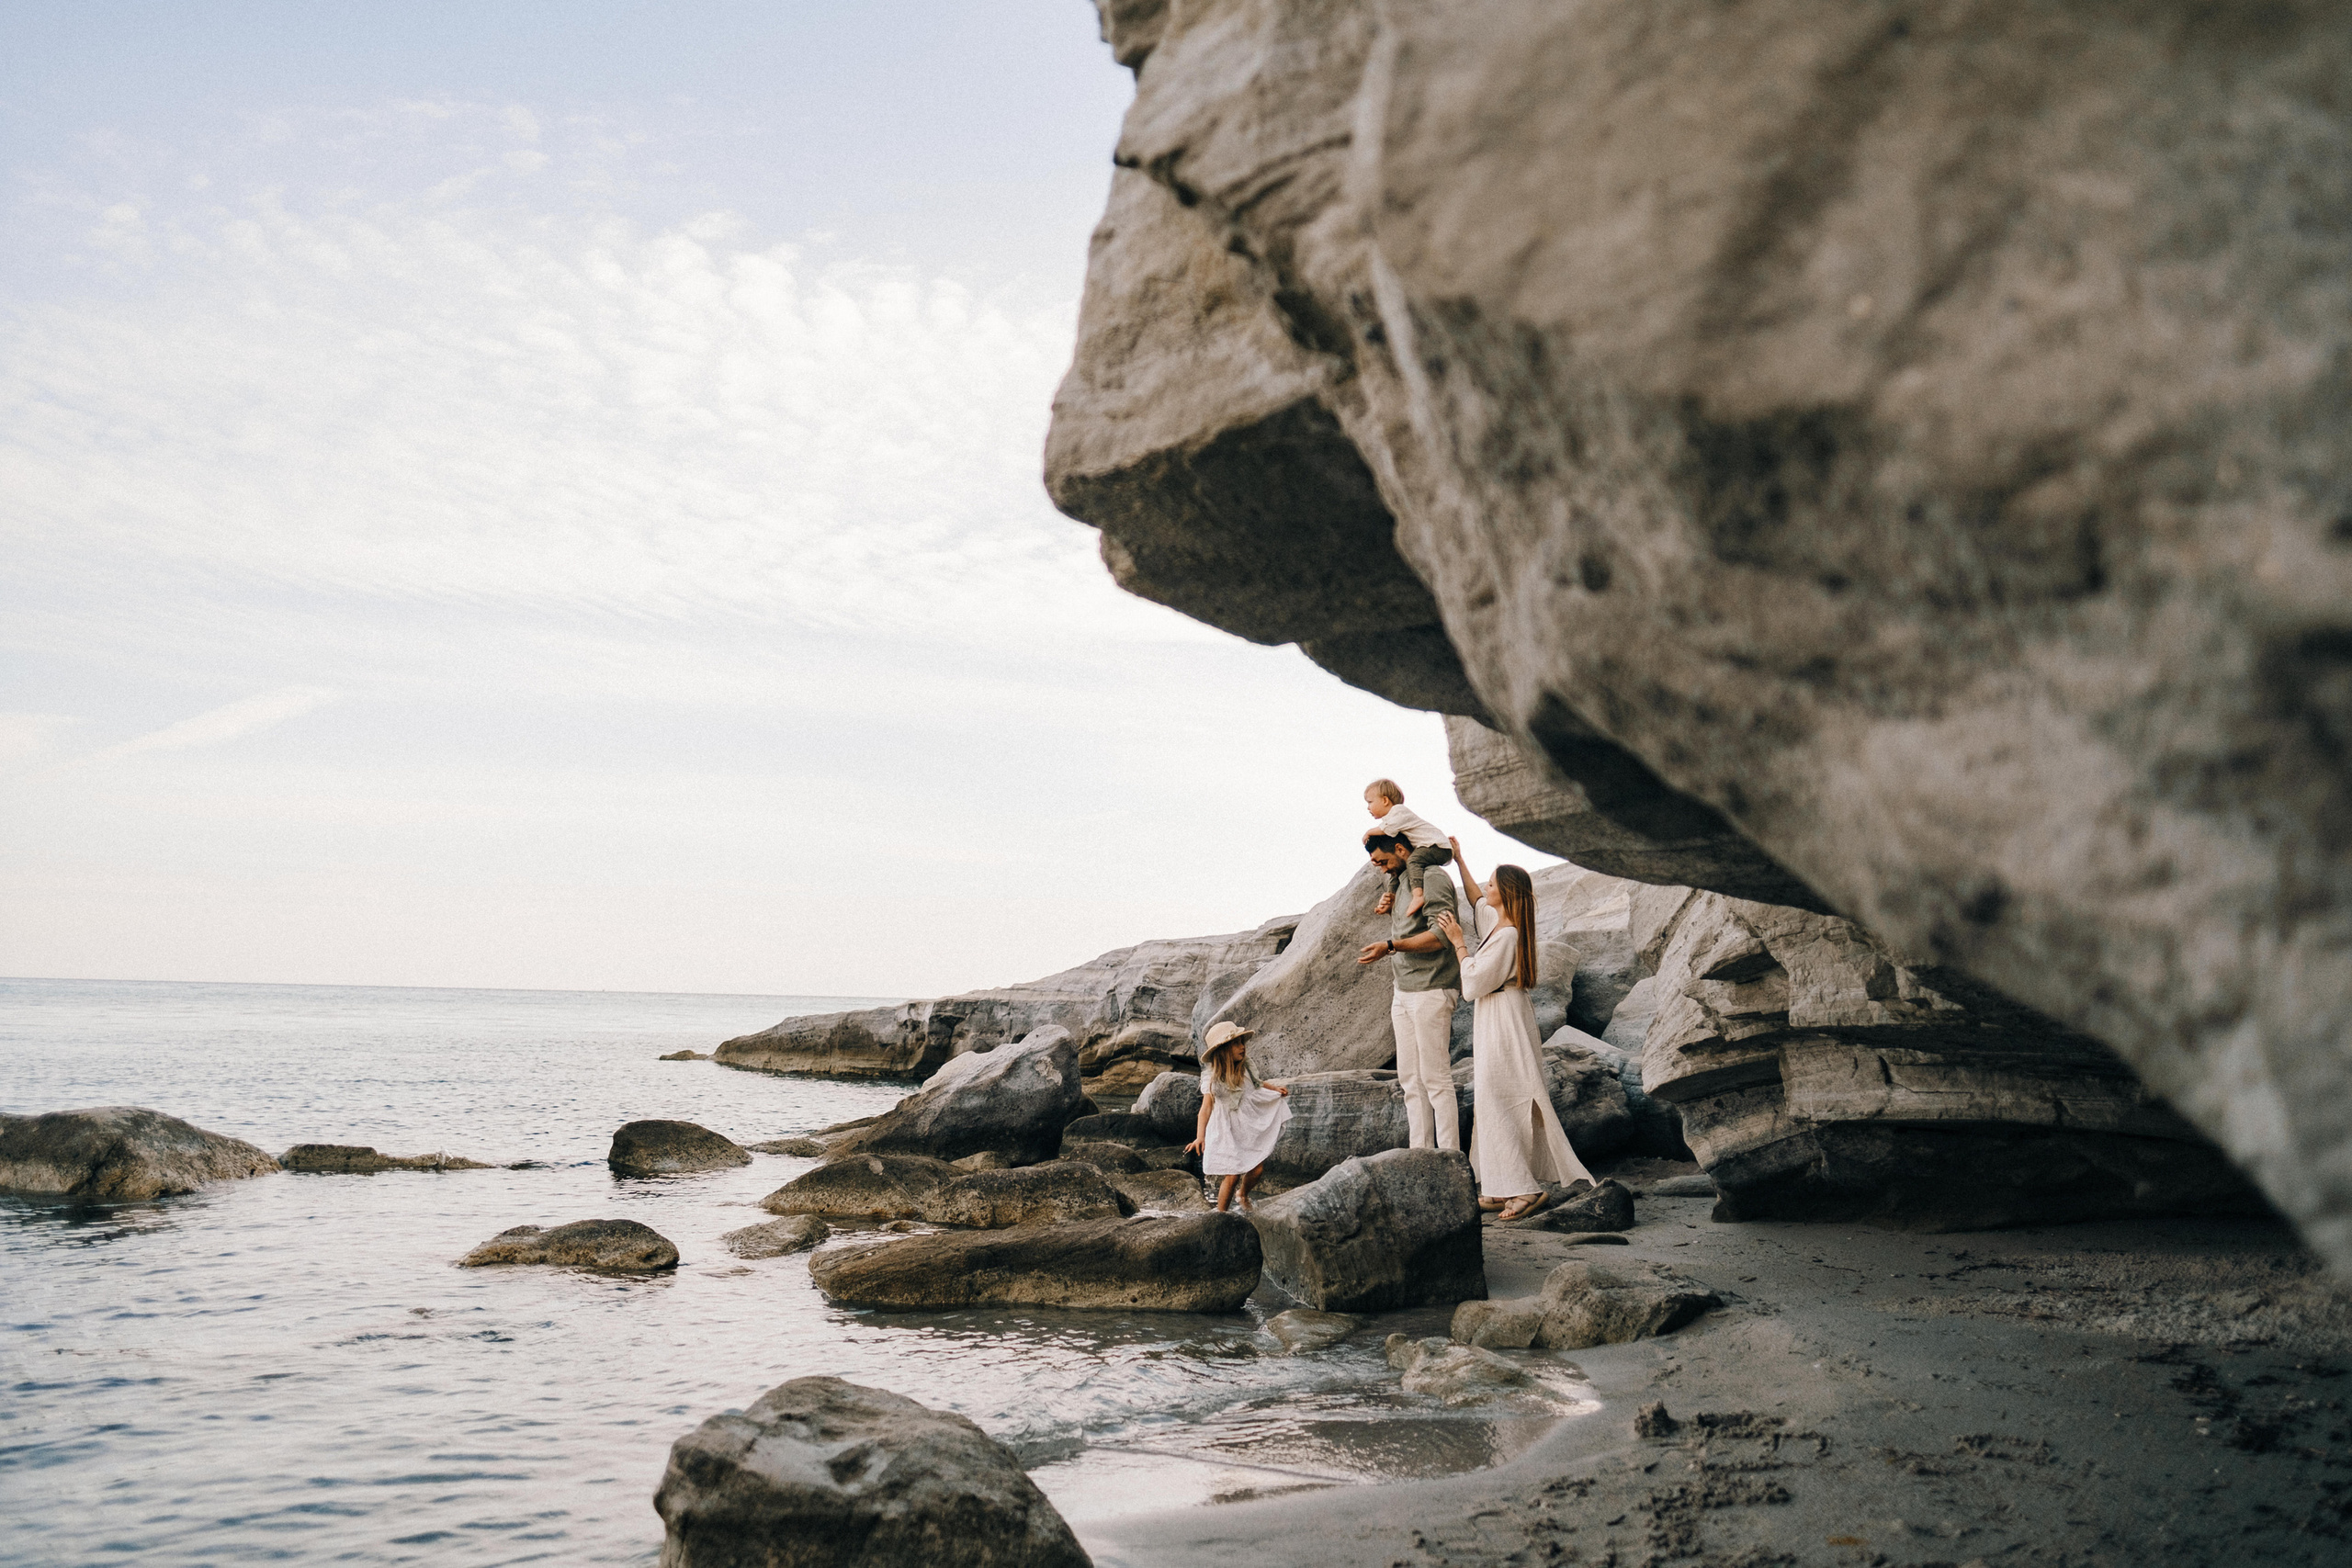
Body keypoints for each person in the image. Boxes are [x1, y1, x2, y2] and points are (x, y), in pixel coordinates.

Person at [1433, 849, 1594, 1221]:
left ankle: (1525, 1189)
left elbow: (1474, 984)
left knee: (1502, 1096)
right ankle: (1498, 1185)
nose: (1486, 888)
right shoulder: (1499, 924)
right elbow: (1476, 899)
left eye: (1492, 884)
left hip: (1503, 1017)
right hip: (1498, 1014)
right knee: (1492, 1098)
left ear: (1505, 893)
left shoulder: (1507, 935)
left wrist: (1458, 942)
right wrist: (1460, 861)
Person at [1357, 832, 1463, 1151]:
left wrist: (1391, 946)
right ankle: (1421, 1153)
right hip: (1402, 991)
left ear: (1401, 850)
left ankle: (1449, 1157)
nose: (1380, 868)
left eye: (1382, 861)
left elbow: (1441, 936)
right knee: (1410, 1081)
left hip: (1432, 988)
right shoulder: (1400, 881)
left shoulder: (1432, 878)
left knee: (1436, 1079)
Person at [1184, 1020, 1292, 1213]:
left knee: (1257, 1169)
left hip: (1248, 1122)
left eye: (1242, 1042)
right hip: (1226, 1127)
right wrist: (1200, 1137)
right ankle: (1221, 1214)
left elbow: (1257, 1083)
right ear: (1223, 1050)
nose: (1242, 1047)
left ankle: (1242, 1194)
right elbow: (1206, 1108)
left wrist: (1274, 1089)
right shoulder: (1212, 1077)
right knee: (1232, 1175)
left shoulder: (1245, 1066)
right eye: (1236, 1043)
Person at [1361, 777, 1453, 919]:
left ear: (1385, 800)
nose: (1368, 808)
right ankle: (1391, 895)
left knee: (1413, 861)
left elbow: (1387, 829)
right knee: (1401, 870)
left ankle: (1418, 895)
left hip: (1437, 847)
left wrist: (1369, 832)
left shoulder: (1398, 811)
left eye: (1370, 802)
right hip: (1430, 848)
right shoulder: (1391, 820)